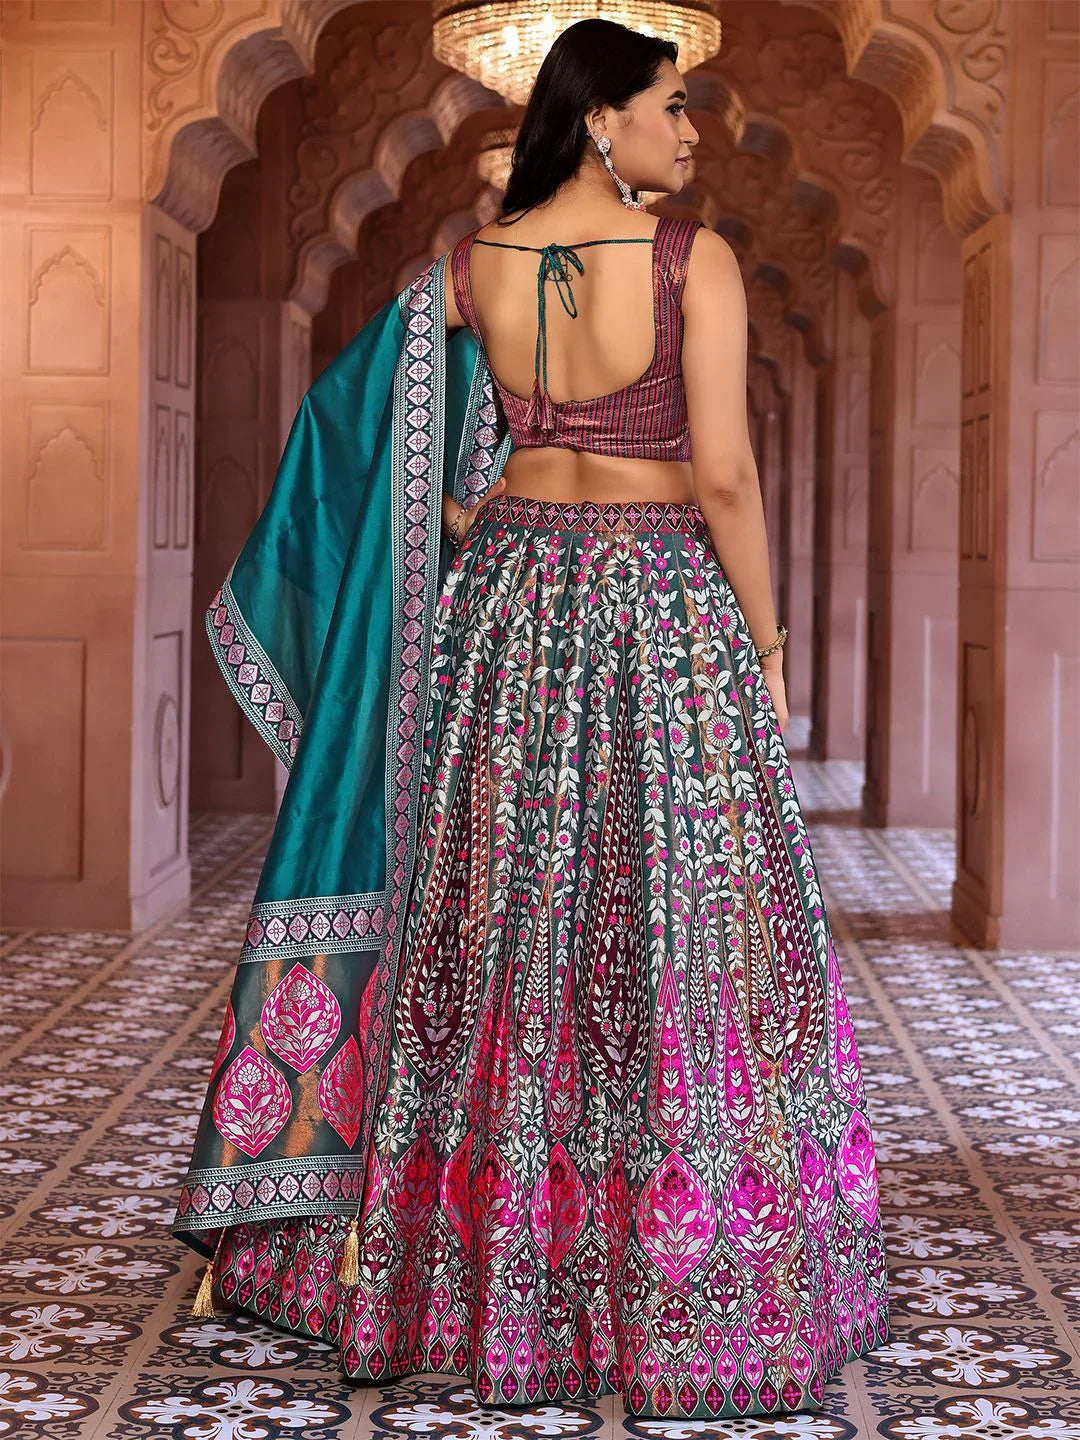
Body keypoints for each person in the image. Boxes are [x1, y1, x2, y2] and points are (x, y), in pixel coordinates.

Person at [172, 17, 890, 1422]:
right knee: (671, 924)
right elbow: (726, 476)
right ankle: (665, 1271)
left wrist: (449, 523)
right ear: (601, 117)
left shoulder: (471, 270)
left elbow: (362, 419)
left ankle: (476, 1266)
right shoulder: (693, 262)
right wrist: (770, 642)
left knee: (501, 923)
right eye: (671, 109)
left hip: (505, 613)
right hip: (661, 614)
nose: (689, 135)